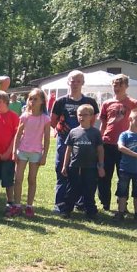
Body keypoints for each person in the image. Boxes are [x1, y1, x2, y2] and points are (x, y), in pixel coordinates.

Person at [50, 70, 99, 212]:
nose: (75, 84)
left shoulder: (90, 102)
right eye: (73, 81)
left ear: (83, 83)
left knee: (84, 173)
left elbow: (92, 121)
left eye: (78, 81)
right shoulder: (60, 101)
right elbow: (53, 121)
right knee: (62, 170)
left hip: (84, 145)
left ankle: (81, 202)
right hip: (64, 143)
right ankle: (60, 204)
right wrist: (59, 127)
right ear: (68, 82)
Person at [97, 74, 137, 211]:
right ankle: (105, 203)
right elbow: (103, 124)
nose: (117, 87)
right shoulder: (107, 103)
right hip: (108, 143)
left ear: (126, 86)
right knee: (104, 175)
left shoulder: (133, 103)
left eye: (120, 85)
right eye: (114, 85)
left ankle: (122, 203)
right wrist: (99, 140)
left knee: (123, 176)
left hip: (125, 145)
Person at [60, 104, 105, 220]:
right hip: (75, 166)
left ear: (91, 117)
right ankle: (67, 210)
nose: (81, 117)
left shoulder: (95, 133)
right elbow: (68, 150)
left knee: (89, 189)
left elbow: (100, 150)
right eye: (79, 115)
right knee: (72, 189)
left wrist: (101, 166)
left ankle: (91, 211)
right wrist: (65, 166)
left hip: (90, 167)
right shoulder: (73, 132)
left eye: (85, 115)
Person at [12, 88, 50, 218]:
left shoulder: (45, 119)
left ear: (42, 101)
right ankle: (17, 205)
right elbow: (18, 135)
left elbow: (47, 138)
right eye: (30, 99)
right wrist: (14, 152)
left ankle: (29, 206)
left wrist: (44, 155)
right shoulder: (24, 116)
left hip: (36, 153)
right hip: (22, 151)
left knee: (32, 179)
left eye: (35, 99)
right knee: (18, 179)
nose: (32, 101)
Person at [115, 109, 137, 222]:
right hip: (125, 168)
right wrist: (136, 155)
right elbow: (120, 147)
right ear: (130, 119)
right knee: (122, 191)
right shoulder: (124, 135)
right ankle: (120, 212)